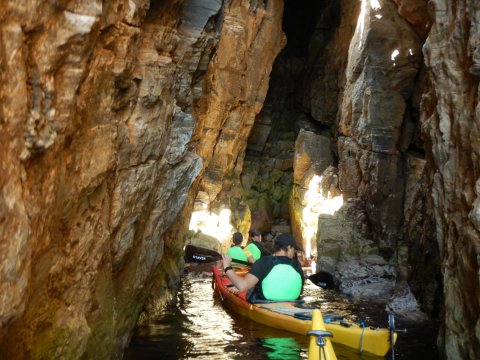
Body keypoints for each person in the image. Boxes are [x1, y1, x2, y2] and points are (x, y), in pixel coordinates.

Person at [222, 233, 304, 302]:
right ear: (289, 248)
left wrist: (227, 267)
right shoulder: (296, 265)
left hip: (264, 303)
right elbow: (299, 290)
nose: (294, 252)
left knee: (251, 288)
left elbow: (242, 286)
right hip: (293, 305)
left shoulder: (264, 262)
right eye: (294, 249)